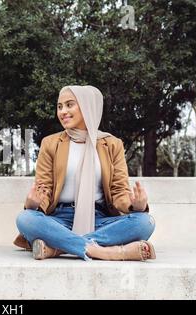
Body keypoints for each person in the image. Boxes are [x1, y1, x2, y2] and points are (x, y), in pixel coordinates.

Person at [14, 85, 156, 261]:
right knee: (26, 219)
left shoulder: (112, 144)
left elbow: (119, 191)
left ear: (88, 106)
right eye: (59, 106)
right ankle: (104, 251)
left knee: (145, 222)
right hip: (60, 219)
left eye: (69, 105)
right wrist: (33, 204)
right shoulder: (50, 143)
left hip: (100, 219)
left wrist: (136, 206)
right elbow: (44, 189)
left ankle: (58, 249)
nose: (63, 111)